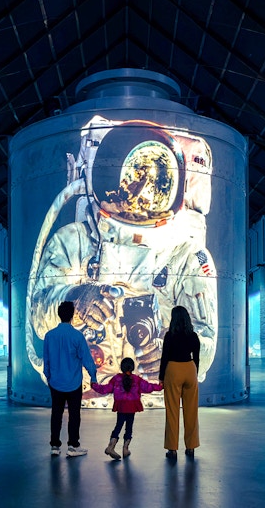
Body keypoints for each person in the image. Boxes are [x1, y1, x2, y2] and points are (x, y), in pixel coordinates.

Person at [25, 116, 219, 407]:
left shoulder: (187, 257)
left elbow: (206, 342)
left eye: (156, 182)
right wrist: (73, 300)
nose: (140, 192)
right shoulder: (73, 242)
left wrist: (169, 350)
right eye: (132, 177)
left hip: (156, 400)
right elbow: (38, 319)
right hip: (83, 397)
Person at [44, 301, 99, 457]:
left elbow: (46, 360)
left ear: (59, 315)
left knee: (56, 414)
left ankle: (55, 446)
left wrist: (49, 377)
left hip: (55, 382)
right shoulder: (77, 336)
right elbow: (87, 359)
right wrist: (93, 377)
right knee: (74, 415)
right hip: (74, 383)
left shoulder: (49, 336)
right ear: (73, 315)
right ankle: (73, 446)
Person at [91, 357, 163, 460]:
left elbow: (106, 389)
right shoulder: (137, 380)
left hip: (121, 406)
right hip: (132, 406)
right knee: (129, 427)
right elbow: (148, 387)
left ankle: (111, 446)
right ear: (133, 368)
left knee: (118, 425)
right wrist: (160, 386)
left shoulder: (116, 379)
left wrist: (95, 386)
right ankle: (125, 449)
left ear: (121, 367)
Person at [159, 306, 201, 459]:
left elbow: (165, 357)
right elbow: (196, 358)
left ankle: (172, 449)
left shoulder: (170, 335)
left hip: (173, 369)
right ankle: (191, 447)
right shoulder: (193, 336)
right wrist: (194, 372)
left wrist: (161, 376)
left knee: (172, 411)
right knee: (191, 411)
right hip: (190, 369)